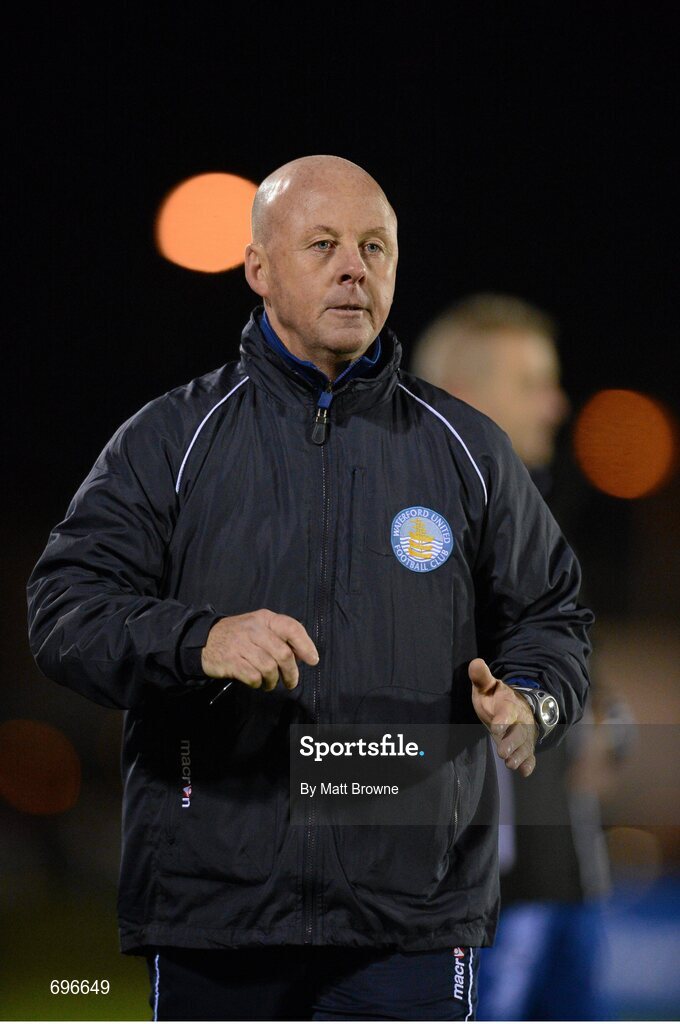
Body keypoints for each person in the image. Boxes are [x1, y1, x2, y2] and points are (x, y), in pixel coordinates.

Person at [27, 157, 593, 1022]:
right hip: (215, 911)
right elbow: (65, 608)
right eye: (323, 243)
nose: (353, 268)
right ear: (258, 268)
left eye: (375, 247)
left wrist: (533, 699)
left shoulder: (468, 450)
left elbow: (553, 615)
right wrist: (197, 640)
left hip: (411, 918)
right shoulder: (172, 439)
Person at [412, 293, 629, 1021]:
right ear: (467, 397)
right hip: (486, 905)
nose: (557, 403)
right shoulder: (413, 529)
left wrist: (610, 725)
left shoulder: (534, 521)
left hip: (569, 876)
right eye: (533, 382)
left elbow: (585, 681)